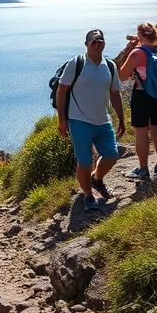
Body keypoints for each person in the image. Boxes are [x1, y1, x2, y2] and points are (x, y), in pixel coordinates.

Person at [55, 29, 125, 211]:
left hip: (103, 120)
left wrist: (122, 120)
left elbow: (115, 93)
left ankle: (97, 179)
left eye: (100, 41)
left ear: (104, 43)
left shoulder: (110, 66)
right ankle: (88, 196)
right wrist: (62, 120)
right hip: (78, 120)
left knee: (112, 155)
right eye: (93, 42)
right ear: (86, 44)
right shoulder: (76, 63)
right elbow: (61, 91)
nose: (97, 44)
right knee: (84, 161)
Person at [119, 22, 157, 179]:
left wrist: (129, 50)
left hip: (142, 94)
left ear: (141, 35)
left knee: (141, 132)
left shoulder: (137, 53)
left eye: (138, 35)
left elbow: (122, 75)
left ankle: (143, 169)